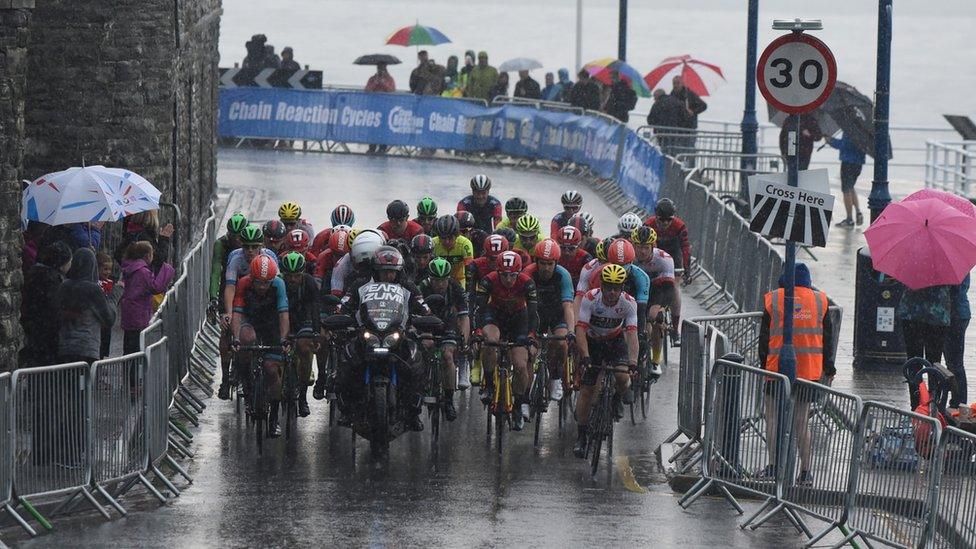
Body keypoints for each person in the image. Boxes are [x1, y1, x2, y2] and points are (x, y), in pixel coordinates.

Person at [757, 262, 834, 485]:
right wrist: (828, 368)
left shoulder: (773, 298)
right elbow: (827, 339)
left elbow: (764, 338)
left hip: (777, 369)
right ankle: (806, 472)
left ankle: (772, 466)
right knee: (802, 421)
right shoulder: (820, 300)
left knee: (771, 418)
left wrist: (764, 365)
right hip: (808, 370)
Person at [573, 264, 639, 457]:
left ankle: (617, 397)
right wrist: (585, 356)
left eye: (616, 288)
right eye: (608, 286)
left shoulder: (628, 303)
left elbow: (632, 334)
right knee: (586, 390)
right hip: (593, 342)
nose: (611, 292)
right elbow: (580, 330)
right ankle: (582, 437)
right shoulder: (591, 298)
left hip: (615, 342)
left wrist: (633, 361)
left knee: (621, 375)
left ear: (622, 288)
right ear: (601, 285)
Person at [473, 250, 538, 431]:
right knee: (490, 341)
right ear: (498, 272)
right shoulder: (488, 280)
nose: (509, 280)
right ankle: (488, 384)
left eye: (512, 275)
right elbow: (479, 309)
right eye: (504, 275)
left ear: (519, 273)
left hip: (519, 319)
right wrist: (478, 332)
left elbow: (533, 313)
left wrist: (532, 336)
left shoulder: (527, 282)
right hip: (495, 316)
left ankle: (517, 405)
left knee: (519, 364)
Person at [217, 224, 280, 400]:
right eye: (246, 246)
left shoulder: (270, 257)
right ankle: (226, 379)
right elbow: (230, 287)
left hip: (263, 300)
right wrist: (228, 313)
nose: (250, 250)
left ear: (262, 246)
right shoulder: (235, 258)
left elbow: (277, 289)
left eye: (255, 246)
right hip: (240, 295)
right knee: (227, 329)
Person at [231, 255, 292, 437]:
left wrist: (283, 339)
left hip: (271, 323)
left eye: (267, 283)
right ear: (252, 278)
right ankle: (247, 383)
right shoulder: (243, 283)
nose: (262, 287)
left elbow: (283, 315)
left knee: (272, 370)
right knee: (246, 338)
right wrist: (235, 339)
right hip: (251, 320)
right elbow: (236, 314)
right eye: (258, 283)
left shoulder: (279, 285)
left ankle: (273, 418)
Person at [418, 257, 471, 418]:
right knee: (424, 348)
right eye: (436, 280)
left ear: (449, 278)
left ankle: (448, 400)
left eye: (443, 280)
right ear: (430, 278)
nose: (440, 284)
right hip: (426, 322)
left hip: (448, 322)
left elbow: (464, 317)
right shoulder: (422, 287)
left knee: (448, 356)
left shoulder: (455, 288)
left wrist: (464, 340)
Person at [524, 239, 575, 401]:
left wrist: (571, 331)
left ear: (556, 263)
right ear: (536, 261)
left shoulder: (563, 275)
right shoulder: (528, 273)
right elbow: (522, 305)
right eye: (542, 263)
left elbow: (568, 306)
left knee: (561, 343)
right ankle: (525, 396)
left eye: (550, 264)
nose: (546, 268)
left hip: (556, 314)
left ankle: (555, 378)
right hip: (535, 315)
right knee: (529, 353)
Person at [56, 248, 119, 365]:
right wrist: (112, 296)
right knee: (85, 381)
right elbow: (109, 318)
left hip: (65, 346)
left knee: (67, 381)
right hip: (87, 346)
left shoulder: (64, 286)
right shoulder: (92, 289)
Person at [631, 226, 681, 365]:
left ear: (653, 246)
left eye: (646, 247)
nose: (642, 251)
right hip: (635, 289)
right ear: (633, 245)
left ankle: (655, 360)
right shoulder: (629, 258)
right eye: (639, 247)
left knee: (655, 320)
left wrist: (661, 309)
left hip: (658, 290)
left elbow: (668, 289)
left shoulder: (664, 260)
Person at [20, 241, 73, 367]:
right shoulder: (54, 281)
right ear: (62, 263)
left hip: (33, 331)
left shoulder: (35, 274)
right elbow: (54, 310)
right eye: (70, 261)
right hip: (47, 337)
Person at [899, 284, 951, 409]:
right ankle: (933, 403)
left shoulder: (911, 265)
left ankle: (916, 404)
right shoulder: (946, 267)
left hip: (912, 314)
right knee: (934, 364)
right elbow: (957, 289)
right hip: (937, 315)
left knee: (914, 362)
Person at [280, 252, 319, 417]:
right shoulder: (279, 283)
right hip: (284, 318)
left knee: (304, 348)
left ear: (302, 273)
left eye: (297, 276)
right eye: (290, 276)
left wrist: (316, 333)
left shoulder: (309, 283)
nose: (293, 280)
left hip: (304, 320)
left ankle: (303, 397)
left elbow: (316, 309)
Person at [120, 241, 176, 354]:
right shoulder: (143, 272)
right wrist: (167, 270)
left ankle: (127, 370)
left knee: (128, 347)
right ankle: (135, 371)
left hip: (128, 313)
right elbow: (155, 287)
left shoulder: (129, 268)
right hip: (139, 315)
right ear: (147, 256)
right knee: (137, 348)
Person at [115, 210, 174, 276]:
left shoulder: (132, 231)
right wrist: (164, 239)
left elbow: (118, 253)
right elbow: (159, 260)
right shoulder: (144, 236)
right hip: (142, 279)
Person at [644, 198, 691, 279]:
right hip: (654, 252)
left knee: (675, 281)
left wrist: (687, 270)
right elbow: (641, 247)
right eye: (662, 219)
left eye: (669, 219)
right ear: (656, 217)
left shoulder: (680, 226)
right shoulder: (648, 225)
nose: (665, 223)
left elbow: (685, 248)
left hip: (673, 254)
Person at [826, 132, 866, 227]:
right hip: (858, 163)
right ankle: (858, 211)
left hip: (848, 162)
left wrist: (830, 140)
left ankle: (849, 219)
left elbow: (842, 145)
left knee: (846, 190)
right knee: (851, 187)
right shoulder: (862, 131)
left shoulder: (850, 130)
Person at [946, 276, 970, 408]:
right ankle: (957, 400)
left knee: (955, 363)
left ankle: (959, 402)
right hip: (958, 314)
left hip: (955, 316)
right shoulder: (955, 262)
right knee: (953, 362)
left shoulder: (951, 269)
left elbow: (955, 290)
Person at [432, 215, 474, 290]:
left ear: (457, 235)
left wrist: (468, 292)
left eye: (450, 237)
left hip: (459, 279)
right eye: (443, 238)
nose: (447, 241)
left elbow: (469, 271)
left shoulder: (465, 244)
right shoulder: (433, 243)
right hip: (438, 280)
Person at [647, 88, 689, 156]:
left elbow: (650, 120)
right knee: (674, 153)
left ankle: (665, 164)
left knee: (664, 152)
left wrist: (657, 125)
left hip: (661, 133)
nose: (654, 99)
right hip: (676, 133)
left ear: (658, 96)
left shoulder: (657, 104)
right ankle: (673, 164)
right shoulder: (677, 101)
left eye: (654, 97)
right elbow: (684, 118)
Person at [96, 252, 118, 358]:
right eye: (105, 269)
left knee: (103, 345)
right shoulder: (95, 283)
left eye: (109, 269)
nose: (108, 272)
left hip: (106, 323)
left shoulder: (110, 283)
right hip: (99, 321)